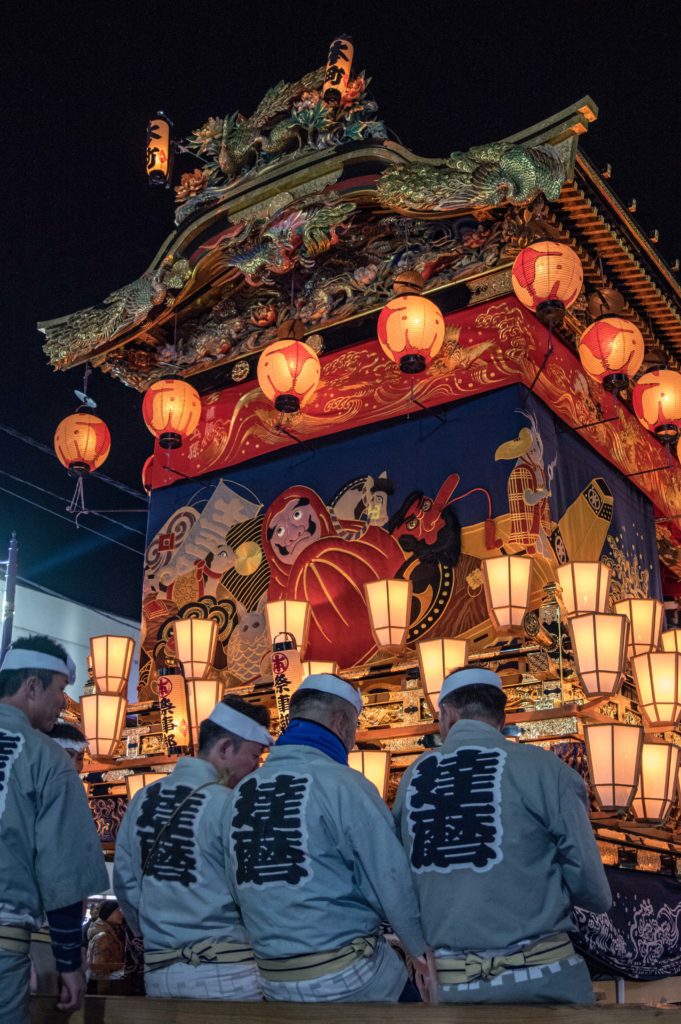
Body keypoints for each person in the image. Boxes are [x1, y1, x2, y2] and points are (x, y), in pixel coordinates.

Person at [393, 667, 612, 1005]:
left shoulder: (413, 777)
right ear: (501, 718)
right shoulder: (546, 769)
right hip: (544, 982)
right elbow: (594, 891)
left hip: (454, 988)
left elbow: (397, 879)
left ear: (447, 715)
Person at [224, 673, 426, 1002]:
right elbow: (392, 881)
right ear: (340, 722)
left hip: (273, 979)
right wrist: (420, 951)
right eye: (354, 727)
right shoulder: (343, 783)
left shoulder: (240, 794)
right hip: (347, 975)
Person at [114, 694, 273, 1001]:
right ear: (225, 748)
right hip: (230, 972)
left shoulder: (143, 799)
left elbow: (126, 886)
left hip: (160, 972)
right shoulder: (232, 805)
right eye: (255, 755)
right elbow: (255, 893)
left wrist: (157, 934)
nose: (256, 766)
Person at [0, 635, 109, 1024]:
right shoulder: (46, 758)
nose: (63, 704)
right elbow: (63, 866)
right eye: (60, 690)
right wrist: (68, 959)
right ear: (32, 687)